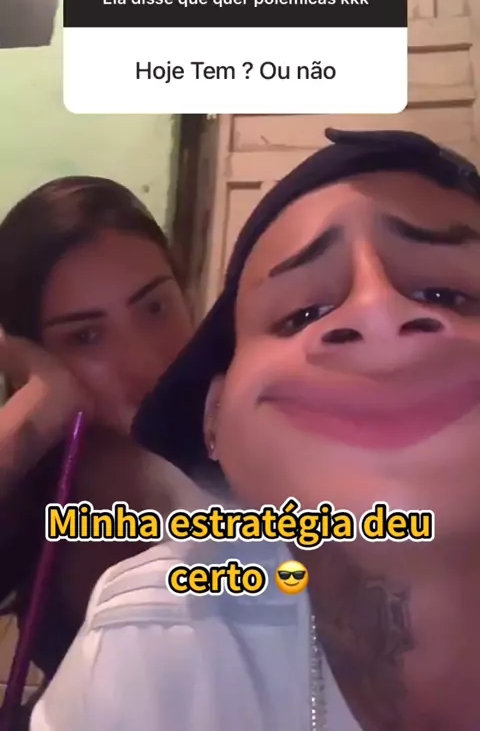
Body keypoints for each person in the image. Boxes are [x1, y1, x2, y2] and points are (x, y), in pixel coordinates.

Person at [31, 129, 480, 731]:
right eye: (304, 314)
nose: (378, 316)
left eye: (448, 293)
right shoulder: (148, 640)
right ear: (213, 415)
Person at [0, 175, 196, 691]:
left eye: (155, 308)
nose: (145, 364)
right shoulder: (47, 485)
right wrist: (38, 410)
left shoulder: (258, 454)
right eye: (86, 336)